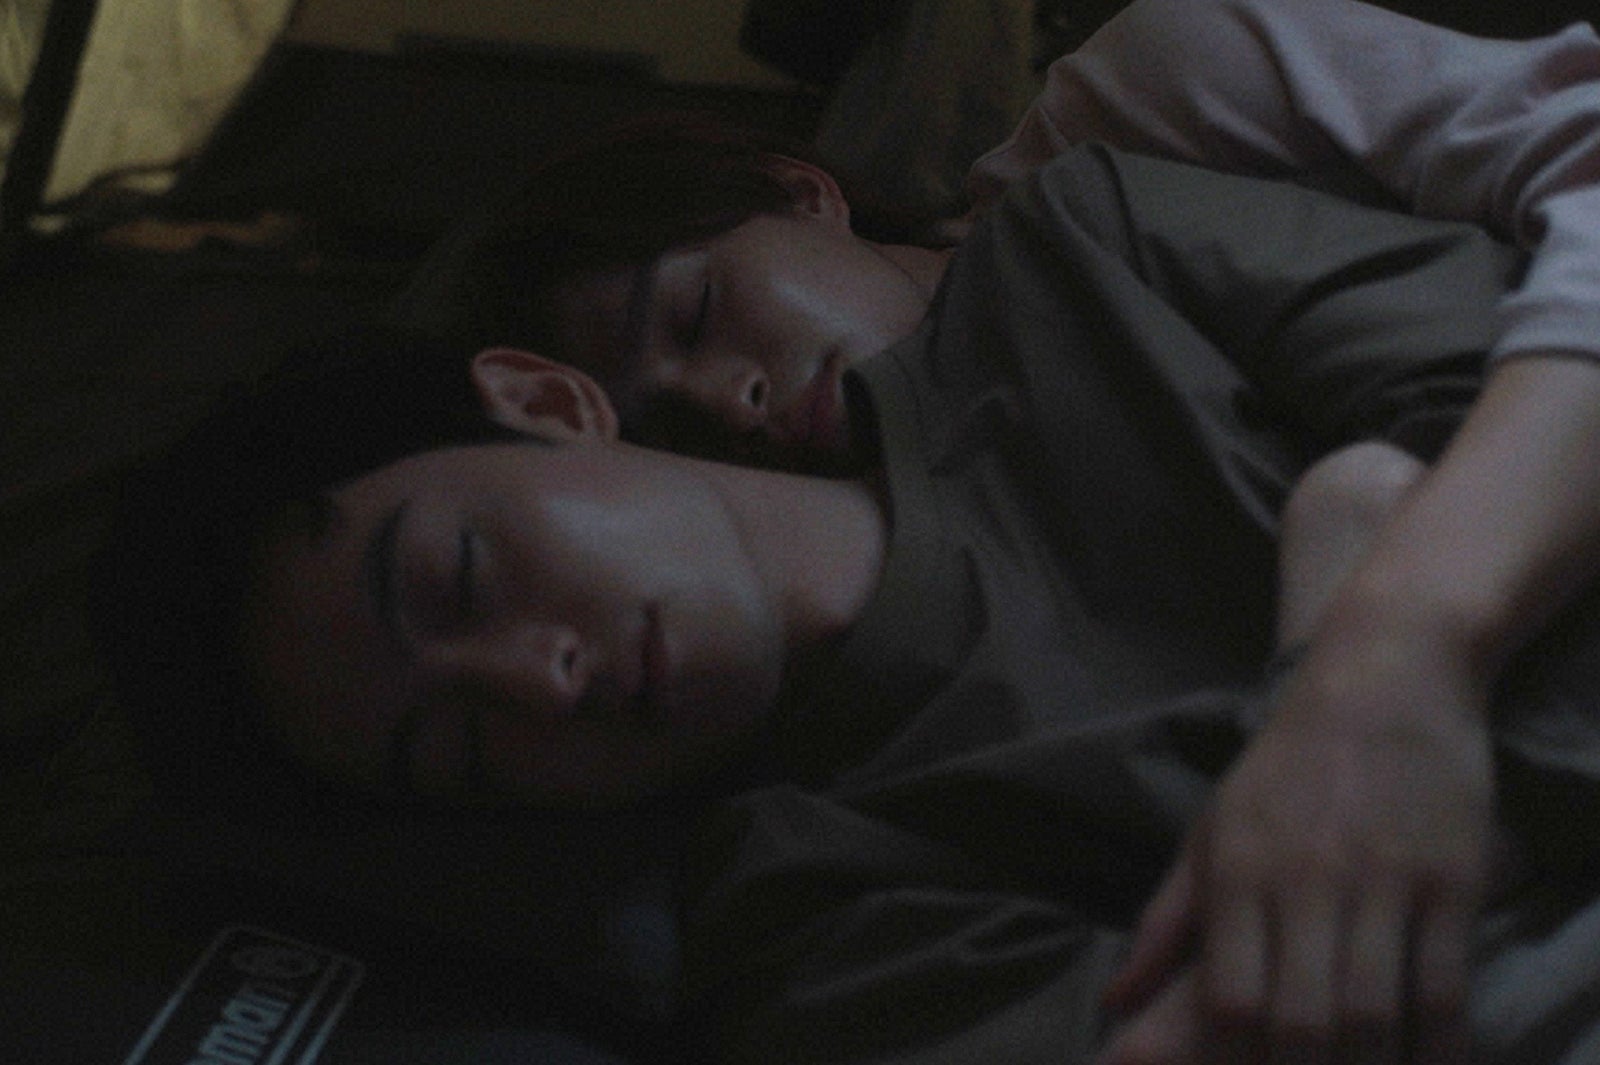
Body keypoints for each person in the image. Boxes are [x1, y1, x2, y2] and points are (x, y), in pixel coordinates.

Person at [101, 141, 1600, 1063]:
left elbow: (1559, 359)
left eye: (462, 579)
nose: (539, 680)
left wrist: (1391, 671)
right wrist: (1341, 644)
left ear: (550, 403)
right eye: (465, 748)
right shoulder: (812, 927)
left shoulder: (1082, 262)